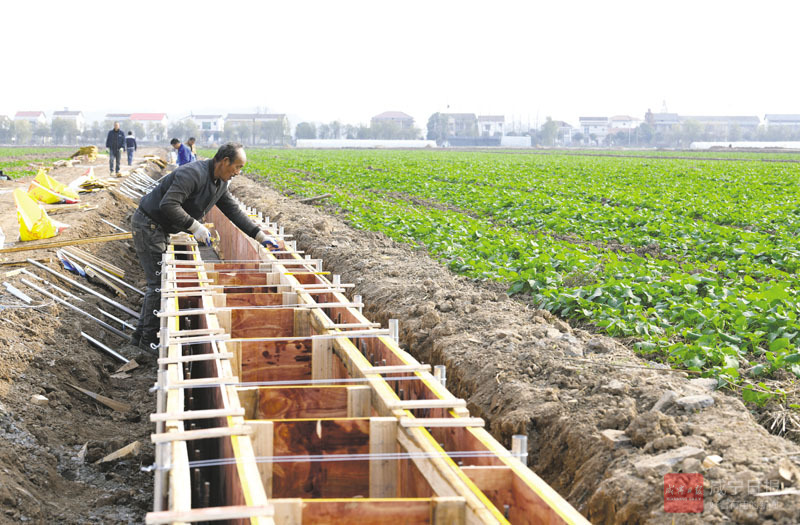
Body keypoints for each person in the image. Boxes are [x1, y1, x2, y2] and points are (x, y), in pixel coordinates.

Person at [126, 142, 284, 354]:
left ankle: (139, 336)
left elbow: (234, 212)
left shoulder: (220, 183)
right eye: (237, 167)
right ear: (225, 161)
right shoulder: (192, 174)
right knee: (158, 283)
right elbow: (168, 204)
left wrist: (260, 236)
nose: (238, 172)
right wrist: (195, 227)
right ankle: (148, 340)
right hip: (148, 225)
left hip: (158, 227)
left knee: (158, 281)